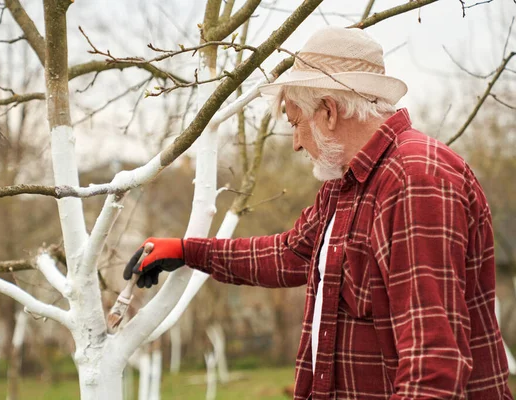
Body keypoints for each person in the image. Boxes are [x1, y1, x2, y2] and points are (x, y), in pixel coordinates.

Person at [124, 26, 512, 399]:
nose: (295, 143)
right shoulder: (346, 186)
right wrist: (187, 250)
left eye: (296, 123)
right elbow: (290, 254)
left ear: (328, 111)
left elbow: (432, 365)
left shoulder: (415, 180)